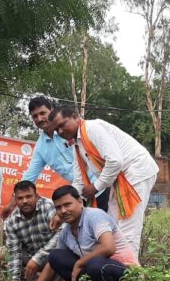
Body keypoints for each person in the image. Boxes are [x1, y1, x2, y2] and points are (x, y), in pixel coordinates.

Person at [51, 106, 159, 255]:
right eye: (56, 130)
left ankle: (130, 269)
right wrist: (64, 210)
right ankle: (115, 266)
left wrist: (96, 187)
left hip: (136, 171)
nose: (60, 131)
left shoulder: (92, 128)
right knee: (112, 225)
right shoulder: (77, 145)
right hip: (119, 181)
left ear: (75, 117)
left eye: (62, 125)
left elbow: (115, 161)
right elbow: (78, 181)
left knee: (128, 229)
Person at [1, 96, 108, 218]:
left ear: (51, 111)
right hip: (81, 195)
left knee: (111, 225)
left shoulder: (71, 128)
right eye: (35, 116)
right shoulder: (40, 148)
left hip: (103, 185)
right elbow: (29, 178)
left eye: (42, 113)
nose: (40, 119)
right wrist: (11, 204)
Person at [47, 185, 137, 281]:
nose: (63, 210)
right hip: (94, 270)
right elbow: (52, 264)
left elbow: (109, 247)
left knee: (94, 264)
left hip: (125, 271)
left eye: (67, 204)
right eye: (58, 207)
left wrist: (79, 263)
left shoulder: (94, 216)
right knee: (55, 256)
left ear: (80, 201)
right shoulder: (66, 232)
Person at [3, 181, 60, 281]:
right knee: (4, 254)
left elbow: (61, 234)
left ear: (37, 196)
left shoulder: (48, 206)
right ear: (15, 200)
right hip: (30, 256)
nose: (24, 201)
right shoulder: (11, 222)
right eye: (20, 198)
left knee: (61, 254)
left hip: (50, 255)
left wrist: (36, 259)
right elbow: (14, 252)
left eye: (29, 196)